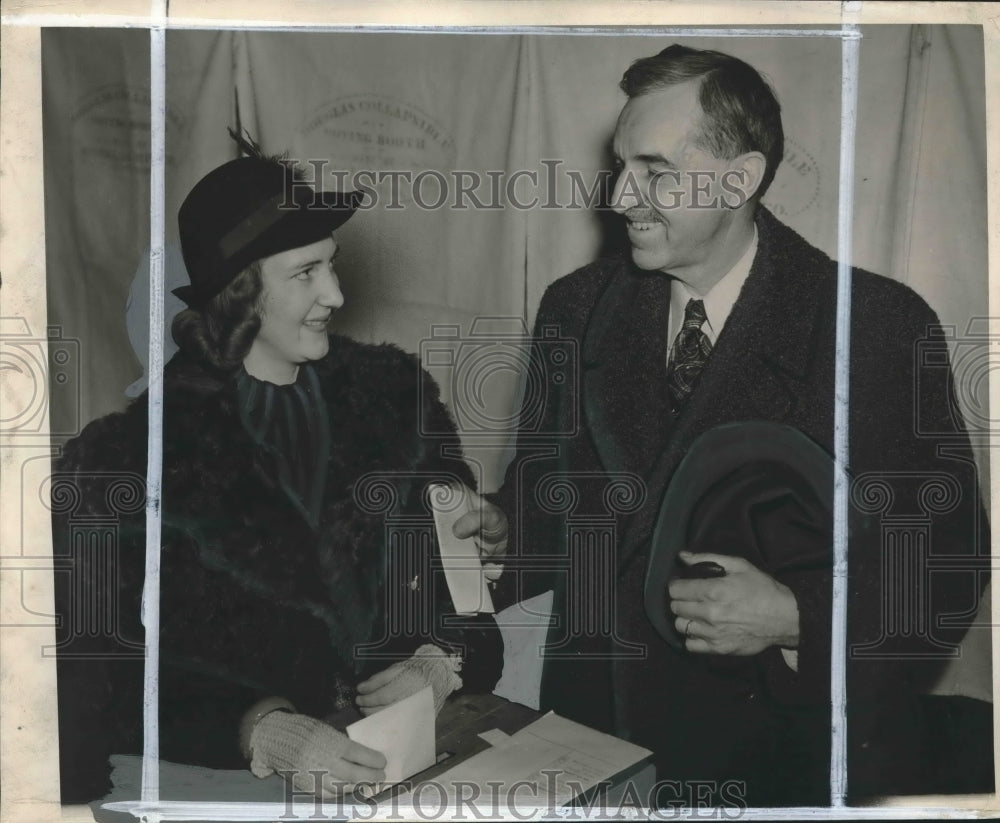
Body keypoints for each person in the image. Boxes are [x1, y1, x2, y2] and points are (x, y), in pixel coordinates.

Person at [458, 44, 990, 805]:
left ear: (740, 178)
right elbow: (548, 491)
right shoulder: (573, 310)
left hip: (778, 761)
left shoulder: (876, 327)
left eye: (655, 171)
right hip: (590, 747)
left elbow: (947, 561)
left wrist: (796, 616)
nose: (620, 196)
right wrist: (507, 524)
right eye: (619, 165)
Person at [52, 138, 503, 803]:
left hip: (402, 775)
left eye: (334, 265)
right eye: (306, 273)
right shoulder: (128, 458)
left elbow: (472, 603)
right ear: (241, 293)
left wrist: (443, 659)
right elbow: (102, 675)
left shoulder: (397, 400)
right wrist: (259, 726)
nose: (338, 293)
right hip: (225, 791)